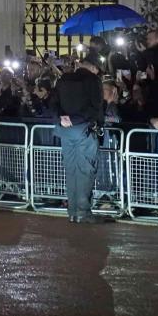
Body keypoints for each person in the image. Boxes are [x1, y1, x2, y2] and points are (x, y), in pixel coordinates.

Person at [49, 55, 110, 224]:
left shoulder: (63, 79)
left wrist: (61, 119)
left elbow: (53, 103)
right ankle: (83, 211)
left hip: (64, 131)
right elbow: (95, 107)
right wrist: (75, 120)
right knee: (85, 170)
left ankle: (72, 212)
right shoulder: (93, 80)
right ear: (94, 67)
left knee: (71, 171)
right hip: (83, 130)